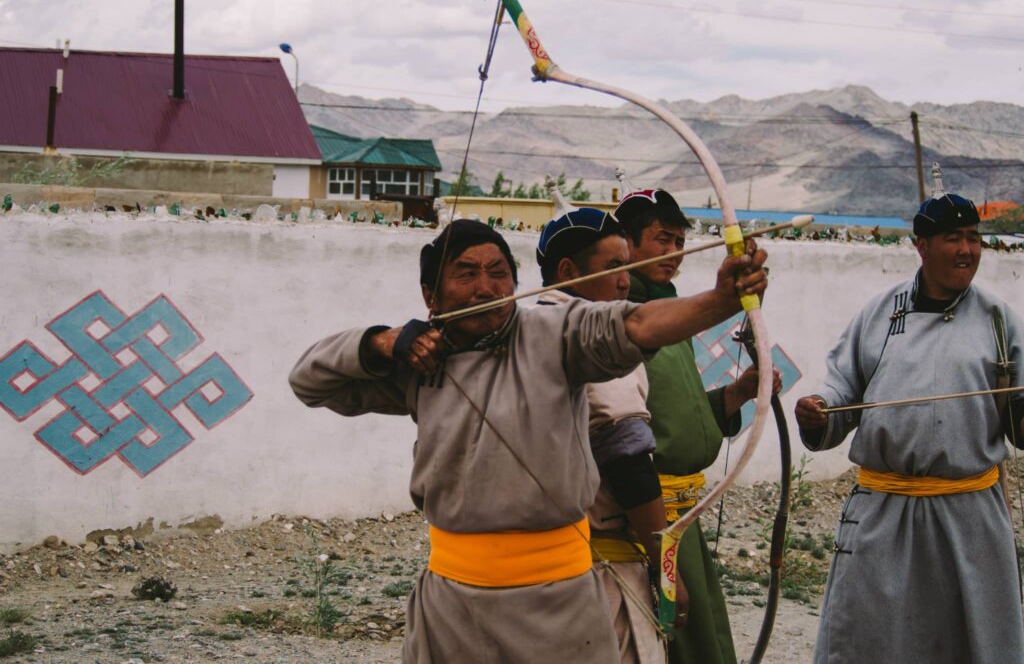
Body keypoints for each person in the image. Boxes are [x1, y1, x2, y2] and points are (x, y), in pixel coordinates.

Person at [289, 219, 767, 663]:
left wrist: (720, 301)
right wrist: (380, 342)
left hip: (557, 604)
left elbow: (637, 325)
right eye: (466, 274)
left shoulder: (556, 332)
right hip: (451, 604)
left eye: (499, 273)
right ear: (430, 296)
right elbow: (309, 381)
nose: (485, 287)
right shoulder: (421, 361)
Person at [794, 190, 1024, 663]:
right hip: (884, 514)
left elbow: (1019, 423)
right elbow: (843, 393)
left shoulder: (1001, 323)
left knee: (971, 641)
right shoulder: (879, 316)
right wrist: (818, 409)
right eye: (952, 238)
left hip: (970, 517)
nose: (967, 250)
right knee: (872, 641)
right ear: (921, 245)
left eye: (973, 238)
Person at [614, 189, 780, 664]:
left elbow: (681, 416)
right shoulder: (617, 323)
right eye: (661, 240)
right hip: (647, 519)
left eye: (679, 243)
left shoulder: (670, 311)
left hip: (683, 519)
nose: (673, 254)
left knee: (701, 640)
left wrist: (741, 392)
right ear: (625, 243)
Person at [535, 207, 666, 664]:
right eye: (615, 267)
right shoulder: (595, 343)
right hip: (599, 571)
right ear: (568, 271)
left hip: (538, 574)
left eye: (629, 265)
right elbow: (628, 461)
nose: (627, 280)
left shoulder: (522, 334)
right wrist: (666, 570)